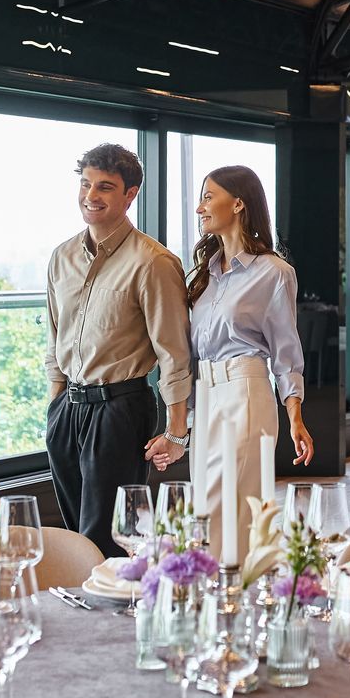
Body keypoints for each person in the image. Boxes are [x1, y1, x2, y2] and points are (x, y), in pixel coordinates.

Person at [145, 166, 313, 551]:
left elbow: (286, 352)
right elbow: (190, 351)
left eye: (208, 196)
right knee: (210, 510)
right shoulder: (204, 275)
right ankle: (235, 596)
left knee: (227, 511)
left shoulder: (274, 273)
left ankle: (227, 598)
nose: (200, 207)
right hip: (206, 395)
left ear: (238, 203)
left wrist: (295, 416)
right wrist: (180, 427)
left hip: (246, 393)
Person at [44, 143, 192, 556]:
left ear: (130, 194)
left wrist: (177, 430)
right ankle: (83, 613)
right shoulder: (62, 257)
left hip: (121, 408)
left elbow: (173, 353)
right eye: (86, 184)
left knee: (109, 537)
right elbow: (55, 337)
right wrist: (54, 408)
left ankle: (118, 615)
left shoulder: (153, 262)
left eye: (105, 187)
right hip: (68, 408)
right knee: (75, 538)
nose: (91, 195)